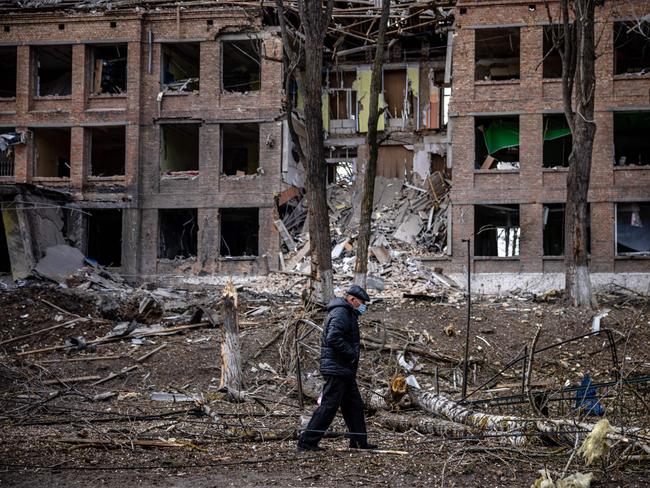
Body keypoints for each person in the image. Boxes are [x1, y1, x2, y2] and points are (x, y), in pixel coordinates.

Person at [297, 285, 378, 452]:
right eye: (361, 303)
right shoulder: (341, 313)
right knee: (328, 406)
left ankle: (358, 442)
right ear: (352, 300)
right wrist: (351, 354)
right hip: (337, 368)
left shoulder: (347, 313)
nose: (363, 306)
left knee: (354, 406)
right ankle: (307, 442)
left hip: (343, 369)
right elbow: (333, 337)